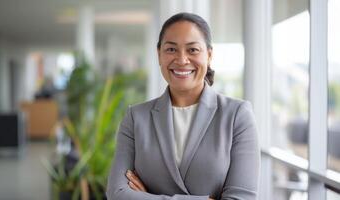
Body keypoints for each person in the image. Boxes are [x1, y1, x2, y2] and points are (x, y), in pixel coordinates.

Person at [107, 12, 260, 200]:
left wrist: (147, 197)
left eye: (192, 50)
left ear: (209, 55)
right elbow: (117, 194)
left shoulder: (237, 115)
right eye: (171, 49)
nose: (181, 59)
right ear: (159, 54)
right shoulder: (136, 117)